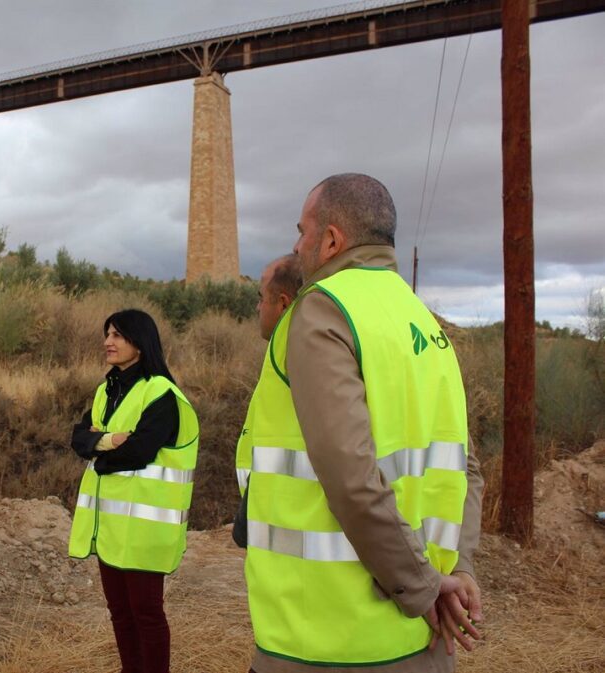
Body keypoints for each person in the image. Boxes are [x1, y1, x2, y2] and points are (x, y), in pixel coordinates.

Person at [241, 174, 484, 672]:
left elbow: (351, 478)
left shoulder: (324, 310)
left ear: (331, 239)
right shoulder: (421, 320)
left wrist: (421, 588)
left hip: (327, 637)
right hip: (423, 638)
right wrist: (455, 570)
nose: (296, 244)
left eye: (302, 230)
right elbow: (466, 468)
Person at [68, 309, 200, 673]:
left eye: (118, 335)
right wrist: (107, 441)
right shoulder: (105, 390)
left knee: (146, 614)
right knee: (120, 612)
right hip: (110, 528)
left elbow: (139, 452)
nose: (108, 342)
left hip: (144, 531)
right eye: (107, 333)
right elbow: (78, 439)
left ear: (140, 344)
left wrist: (99, 454)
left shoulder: (162, 394)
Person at [234, 254, 302, 547]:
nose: (258, 307)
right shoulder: (281, 349)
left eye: (261, 298)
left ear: (284, 303)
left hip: (290, 526)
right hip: (271, 518)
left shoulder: (299, 350)